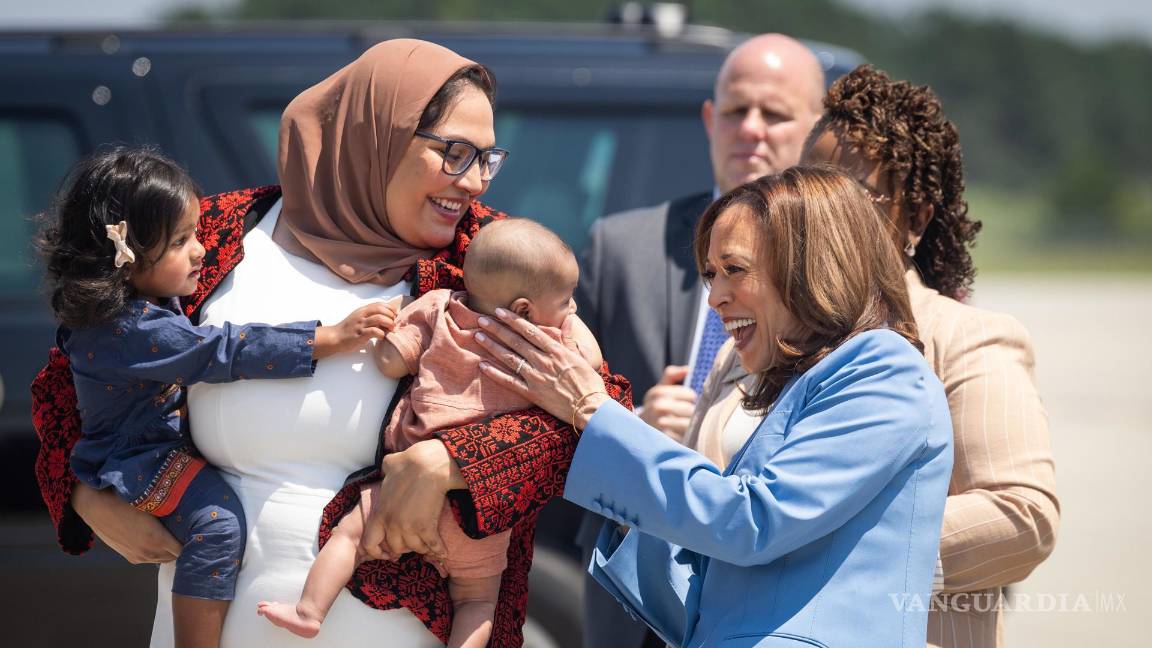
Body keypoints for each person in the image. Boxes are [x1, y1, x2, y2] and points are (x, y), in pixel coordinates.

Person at [30, 39, 628, 647]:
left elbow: (599, 415)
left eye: (486, 158)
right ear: (377, 134)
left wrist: (451, 464)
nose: (472, 181)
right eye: (453, 152)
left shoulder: (491, 261)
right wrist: (85, 496)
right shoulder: (215, 234)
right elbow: (72, 378)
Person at [472, 166, 954, 648]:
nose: (716, 298)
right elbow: (709, 590)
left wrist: (595, 412)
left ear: (810, 263)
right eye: (710, 275)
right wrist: (622, 500)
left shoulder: (884, 369)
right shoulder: (808, 383)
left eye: (734, 270)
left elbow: (751, 522)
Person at [36, 147, 398, 648]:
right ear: (126, 257)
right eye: (181, 241)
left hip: (149, 451)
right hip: (139, 461)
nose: (201, 251)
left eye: (198, 234)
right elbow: (222, 350)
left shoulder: (142, 299)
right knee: (218, 524)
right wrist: (329, 338)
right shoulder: (129, 329)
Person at [574, 33, 826, 647]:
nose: (752, 129)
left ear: (817, 130)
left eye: (775, 113)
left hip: (768, 586)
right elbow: (553, 407)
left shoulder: (835, 267)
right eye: (737, 111)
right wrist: (629, 426)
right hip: (630, 578)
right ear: (710, 120)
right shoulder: (622, 248)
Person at [797, 65, 1059, 648]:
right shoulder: (764, 340)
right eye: (812, 189)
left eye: (856, 195)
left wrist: (817, 546)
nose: (824, 215)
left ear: (914, 217)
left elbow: (1023, 519)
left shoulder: (967, 340)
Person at [258, 219, 602, 648]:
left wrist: (392, 326)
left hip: (397, 489)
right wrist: (571, 326)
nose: (571, 308)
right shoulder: (549, 345)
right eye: (567, 300)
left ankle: (308, 611)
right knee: (477, 601)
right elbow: (593, 374)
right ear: (524, 311)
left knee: (348, 537)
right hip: (477, 507)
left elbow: (388, 362)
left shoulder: (439, 309)